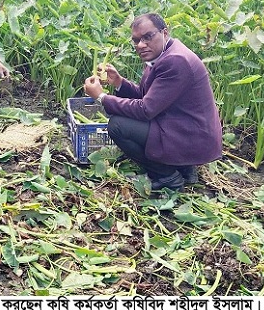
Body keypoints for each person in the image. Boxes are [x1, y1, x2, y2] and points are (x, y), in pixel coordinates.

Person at [83, 13, 222, 191]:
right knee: (124, 115)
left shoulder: (175, 61)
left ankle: (168, 176)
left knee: (117, 126)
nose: (141, 45)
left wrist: (101, 97)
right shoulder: (163, 53)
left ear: (164, 33)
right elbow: (147, 96)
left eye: (148, 37)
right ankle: (184, 169)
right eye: (136, 40)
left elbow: (146, 109)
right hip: (185, 128)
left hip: (192, 137)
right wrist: (118, 82)